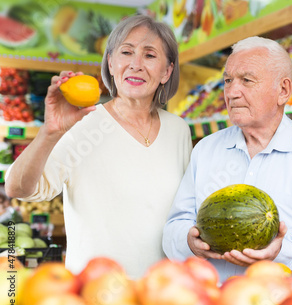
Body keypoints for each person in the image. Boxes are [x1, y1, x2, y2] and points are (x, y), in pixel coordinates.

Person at [5, 15, 192, 279]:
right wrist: (50, 132)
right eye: (126, 52)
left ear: (167, 71)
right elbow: (18, 188)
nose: (136, 65)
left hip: (160, 294)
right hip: (95, 293)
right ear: (111, 64)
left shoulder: (178, 130)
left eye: (150, 55)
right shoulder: (82, 125)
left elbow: (184, 213)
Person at [163, 36, 292, 281]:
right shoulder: (205, 150)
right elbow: (174, 226)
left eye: (247, 80)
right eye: (228, 81)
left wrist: (280, 251)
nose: (232, 92)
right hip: (210, 301)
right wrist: (189, 241)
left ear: (283, 90)